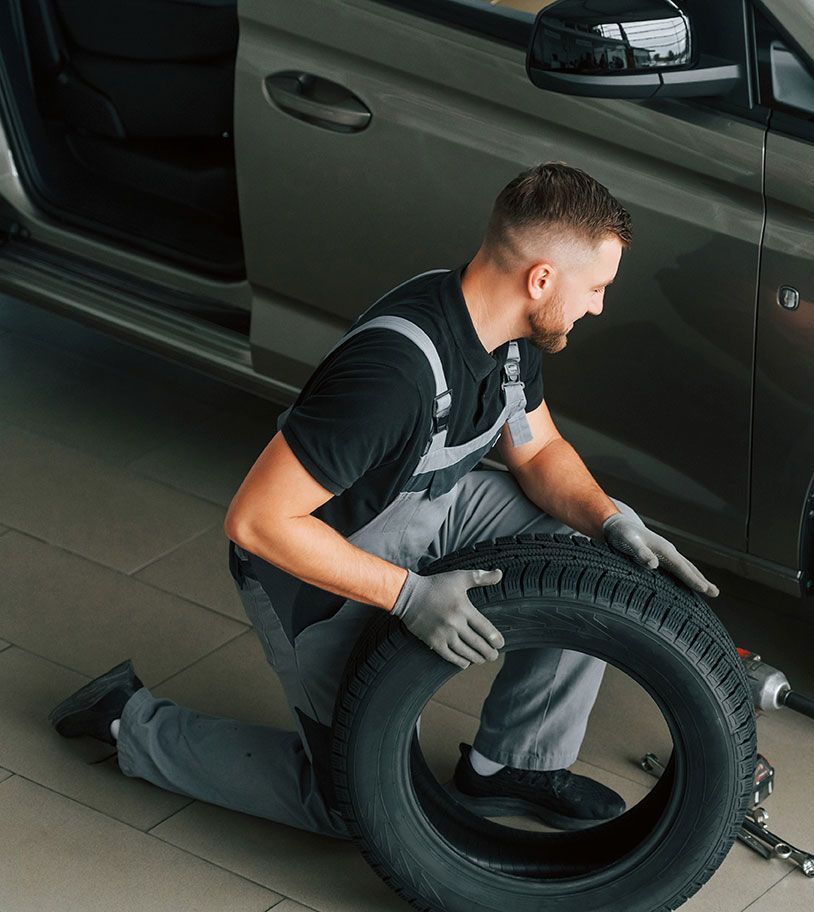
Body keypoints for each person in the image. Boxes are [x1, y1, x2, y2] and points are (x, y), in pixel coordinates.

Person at [49, 161, 720, 836]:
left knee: (582, 559)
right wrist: (408, 596)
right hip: (314, 559)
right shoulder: (392, 376)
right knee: (354, 803)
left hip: (432, 509)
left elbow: (538, 450)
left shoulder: (510, 330)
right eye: (597, 287)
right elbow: (257, 520)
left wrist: (608, 517)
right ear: (541, 279)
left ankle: (511, 765)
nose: (598, 306)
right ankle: (127, 722)